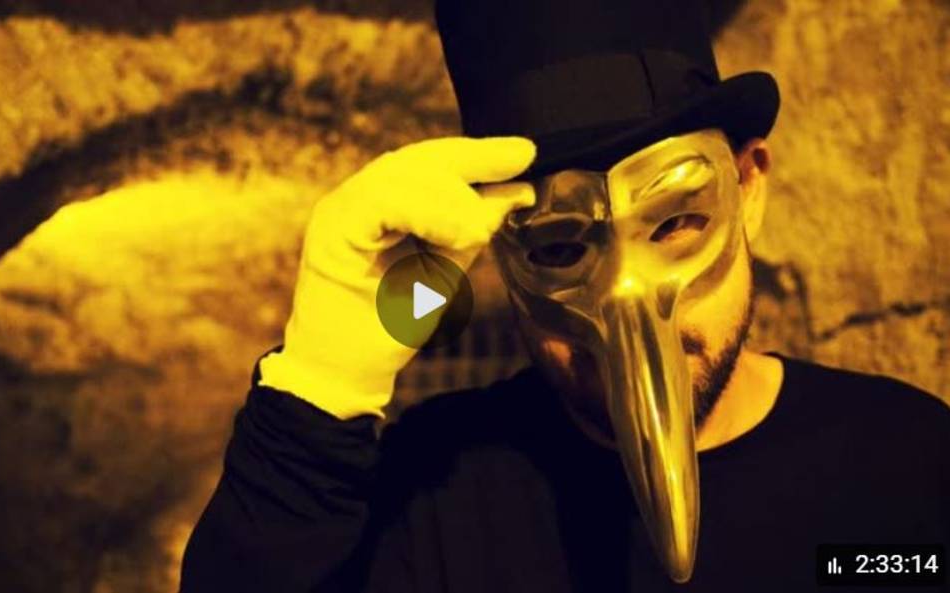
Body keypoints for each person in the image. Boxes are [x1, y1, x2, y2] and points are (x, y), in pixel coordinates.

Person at [180, 0, 950, 591]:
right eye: (557, 247)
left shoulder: (903, 462)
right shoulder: (431, 497)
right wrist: (318, 391)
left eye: (676, 222)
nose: (625, 304)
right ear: (501, 249)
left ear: (747, 188)